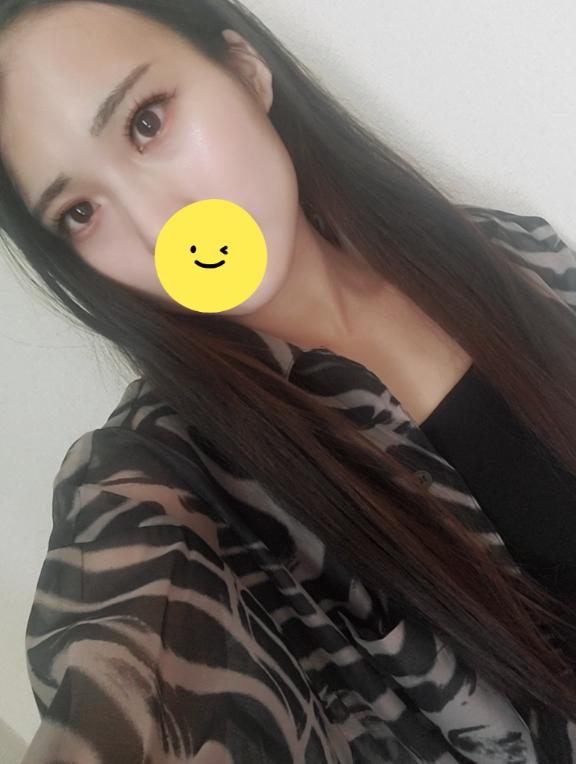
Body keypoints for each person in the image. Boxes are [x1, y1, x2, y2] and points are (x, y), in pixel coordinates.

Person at [1, 1, 576, 761]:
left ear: (246, 71)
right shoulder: (164, 476)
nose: (159, 226)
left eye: (147, 122)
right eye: (79, 211)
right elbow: (127, 662)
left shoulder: (517, 258)